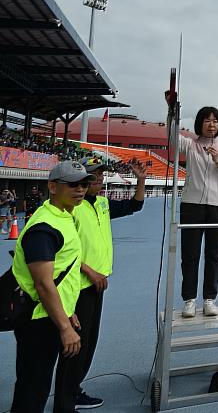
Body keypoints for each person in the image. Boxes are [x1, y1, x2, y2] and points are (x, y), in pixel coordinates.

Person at [54, 156, 147, 409]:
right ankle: (65, 400)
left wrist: (141, 180)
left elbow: (134, 206)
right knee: (74, 346)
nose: (100, 179)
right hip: (78, 285)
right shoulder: (72, 206)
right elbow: (63, 249)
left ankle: (74, 389)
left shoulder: (103, 203)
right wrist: (90, 271)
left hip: (97, 285)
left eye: (101, 174)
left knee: (88, 344)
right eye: (94, 175)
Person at [10, 161, 94, 413]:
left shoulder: (62, 216)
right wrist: (65, 327)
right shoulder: (44, 227)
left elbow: (60, 272)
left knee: (37, 385)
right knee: (32, 389)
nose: (80, 190)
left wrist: (68, 309)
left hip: (50, 315)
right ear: (53, 186)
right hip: (39, 319)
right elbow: (44, 284)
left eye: (83, 184)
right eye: (72, 184)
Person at [174, 107, 218, 318]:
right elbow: (172, 137)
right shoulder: (190, 145)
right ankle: (189, 300)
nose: (212, 124)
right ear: (199, 123)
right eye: (207, 120)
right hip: (192, 204)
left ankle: (210, 299)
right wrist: (171, 112)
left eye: (215, 121)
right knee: (190, 254)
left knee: (213, 254)